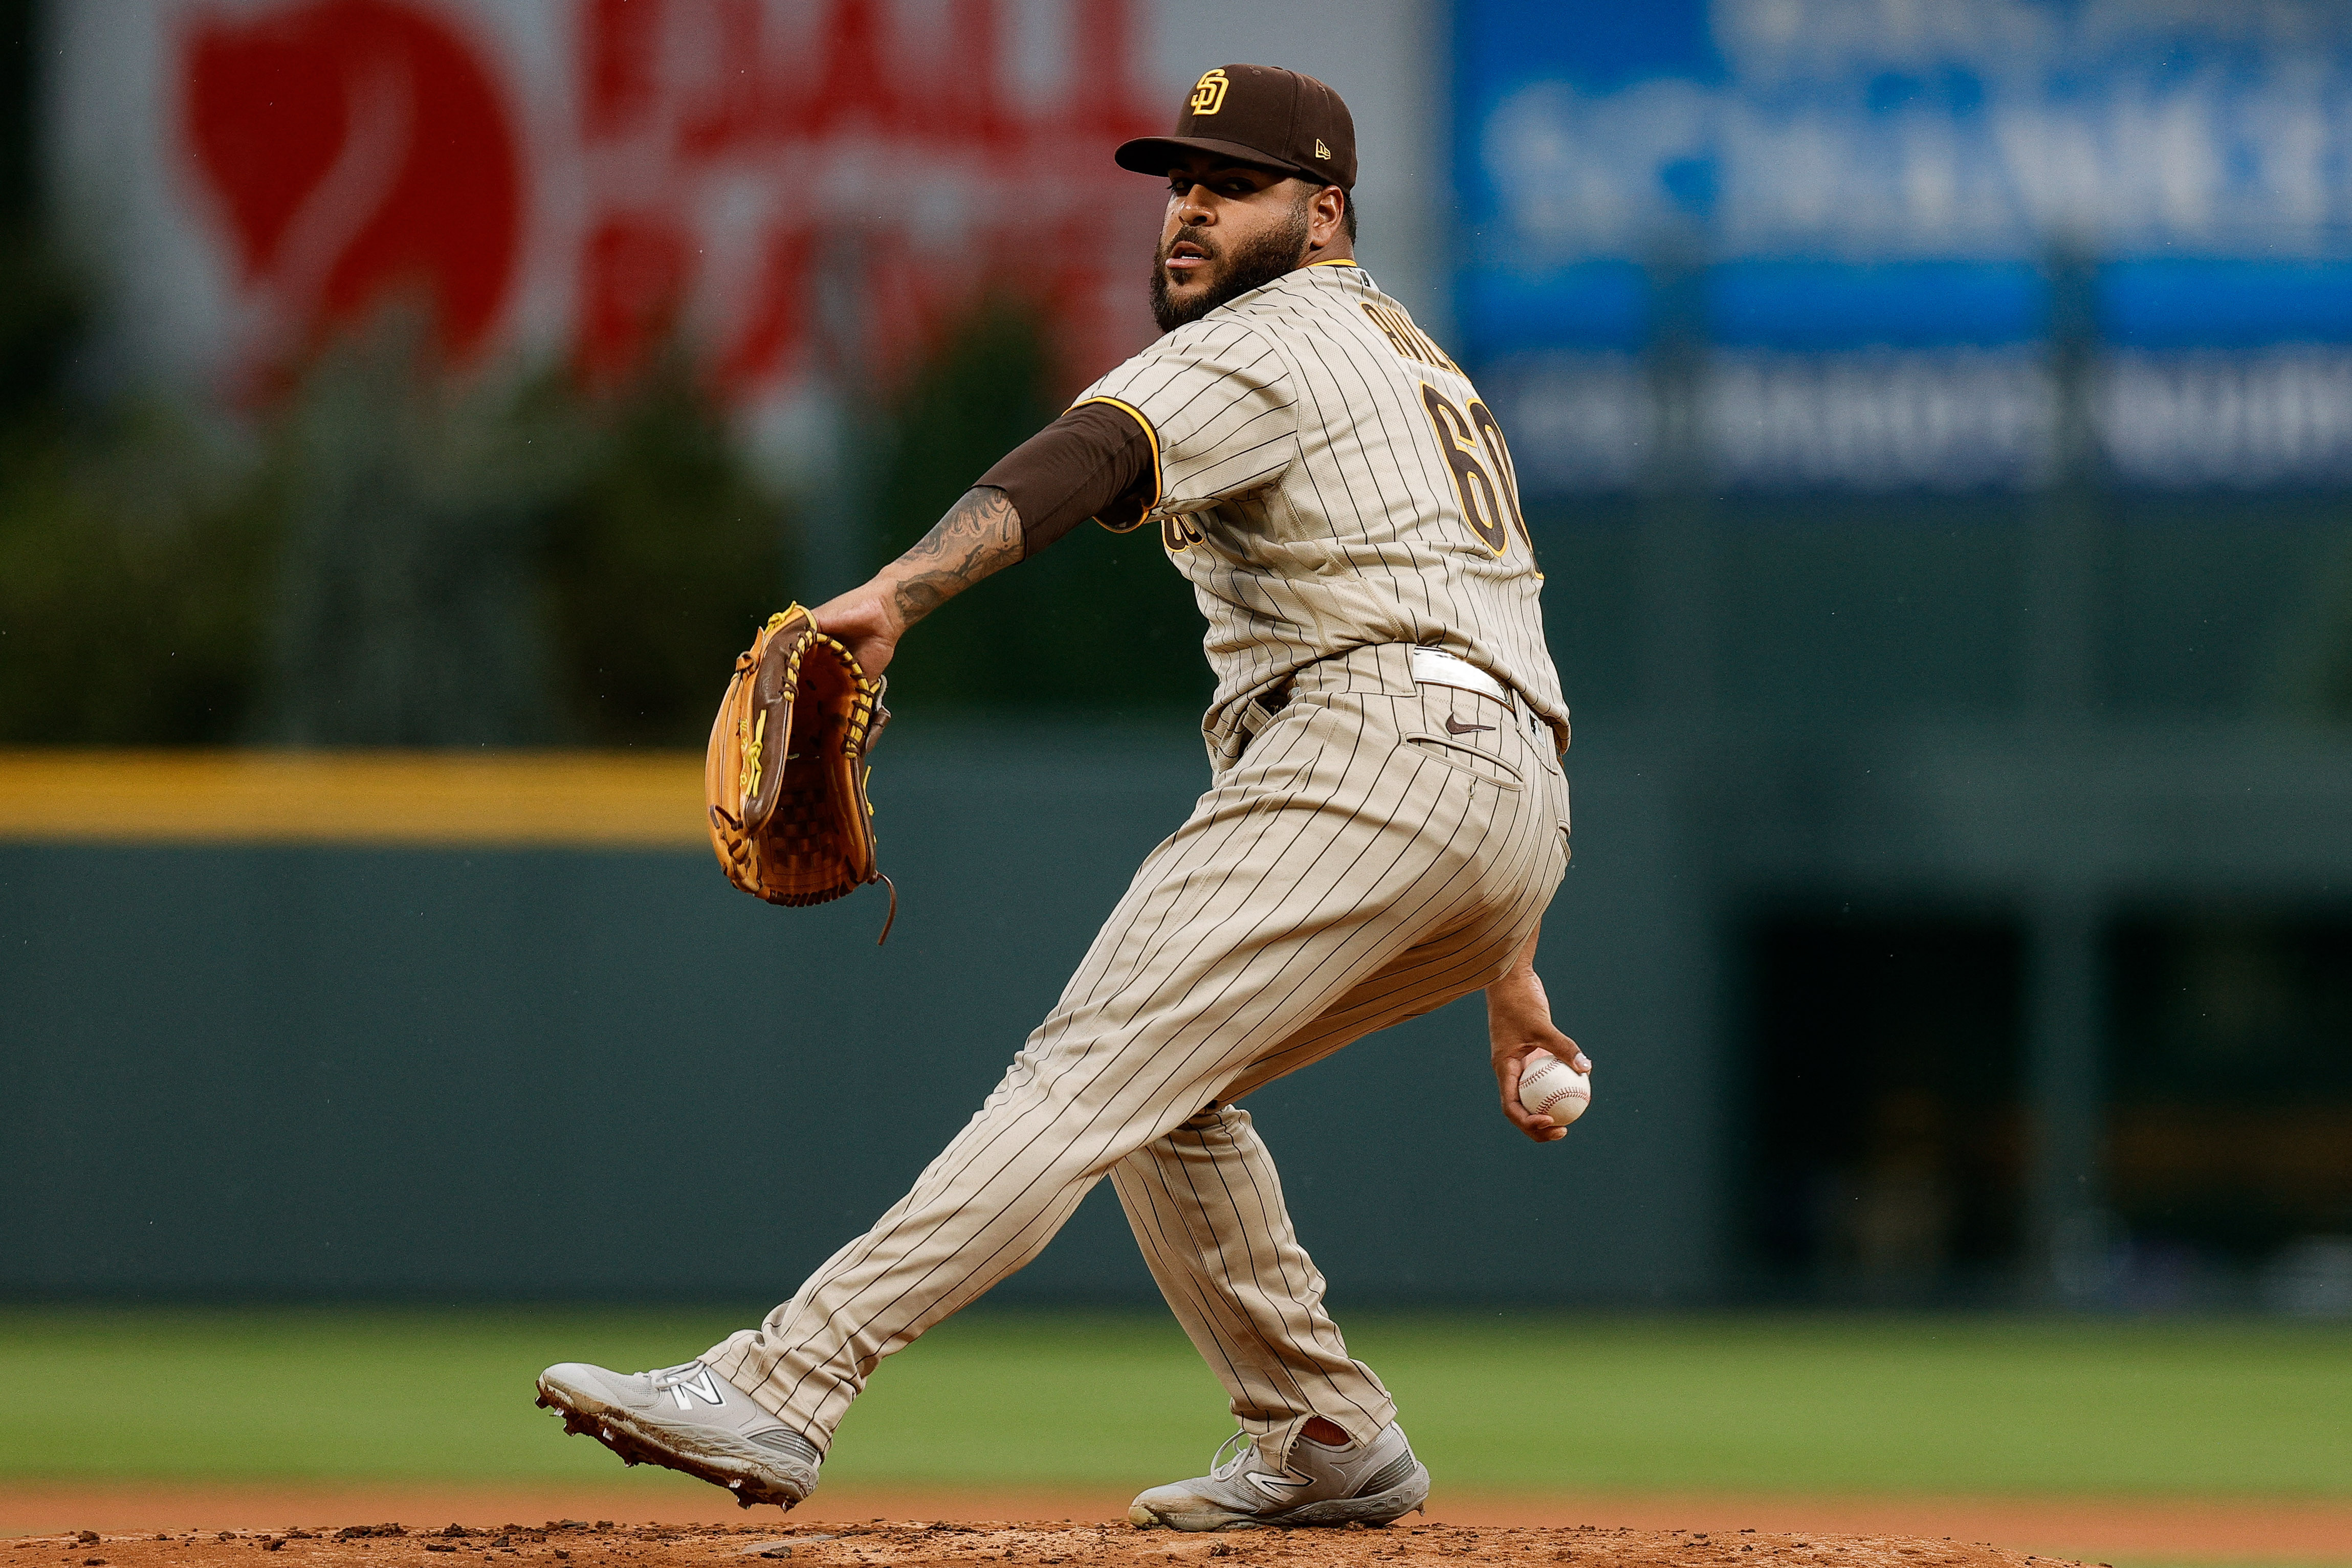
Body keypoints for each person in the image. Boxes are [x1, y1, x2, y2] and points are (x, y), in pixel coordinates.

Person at [536, 62, 1586, 1534]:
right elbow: (1486, 637)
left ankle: (788, 1378)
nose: (1190, 211)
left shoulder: (1270, 335)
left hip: (1376, 748)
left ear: (1328, 211)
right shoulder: (1420, 368)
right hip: (1508, 791)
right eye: (1180, 181)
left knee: (1082, 1070)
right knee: (1168, 1091)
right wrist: (1508, 948)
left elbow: (1093, 451)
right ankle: (1325, 1429)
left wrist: (901, 587)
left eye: (1234, 184)